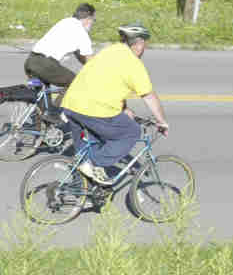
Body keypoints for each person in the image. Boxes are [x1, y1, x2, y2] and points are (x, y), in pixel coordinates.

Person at [60, 22, 170, 185]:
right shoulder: (134, 64)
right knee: (132, 131)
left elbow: (108, 82)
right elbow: (149, 96)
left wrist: (125, 109)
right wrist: (162, 121)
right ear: (138, 43)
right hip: (94, 110)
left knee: (89, 151)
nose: (144, 48)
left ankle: (82, 189)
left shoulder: (109, 51)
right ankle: (95, 164)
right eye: (144, 43)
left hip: (71, 104)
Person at [23, 3, 96, 123]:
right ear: (88, 18)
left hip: (31, 61)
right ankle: (55, 112)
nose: (92, 23)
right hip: (45, 64)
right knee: (76, 83)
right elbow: (89, 60)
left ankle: (41, 133)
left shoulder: (65, 22)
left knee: (42, 106)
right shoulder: (81, 33)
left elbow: (79, 54)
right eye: (93, 20)